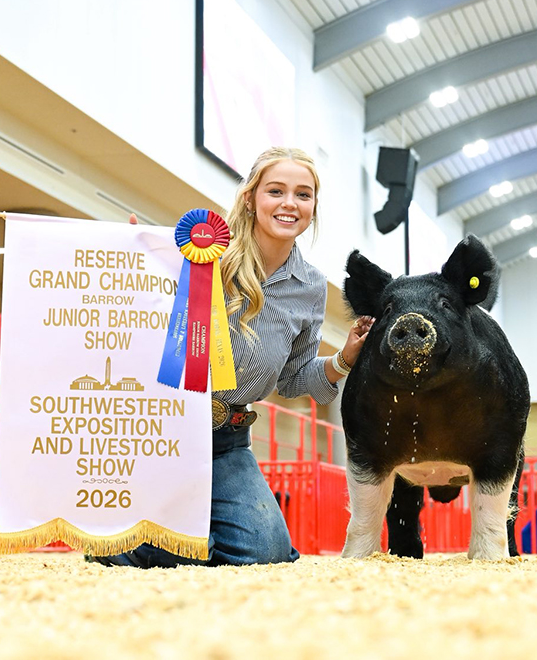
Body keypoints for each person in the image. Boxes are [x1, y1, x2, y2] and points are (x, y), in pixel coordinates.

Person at [91, 147, 373, 568]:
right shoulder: (202, 254)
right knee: (203, 546)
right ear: (251, 198)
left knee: (267, 553)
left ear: (313, 207)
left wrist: (344, 359)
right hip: (164, 431)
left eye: (303, 194)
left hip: (229, 440)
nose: (290, 203)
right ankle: (134, 539)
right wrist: (135, 264)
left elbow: (294, 378)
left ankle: (162, 539)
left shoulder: (311, 286)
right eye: (275, 191)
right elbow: (142, 321)